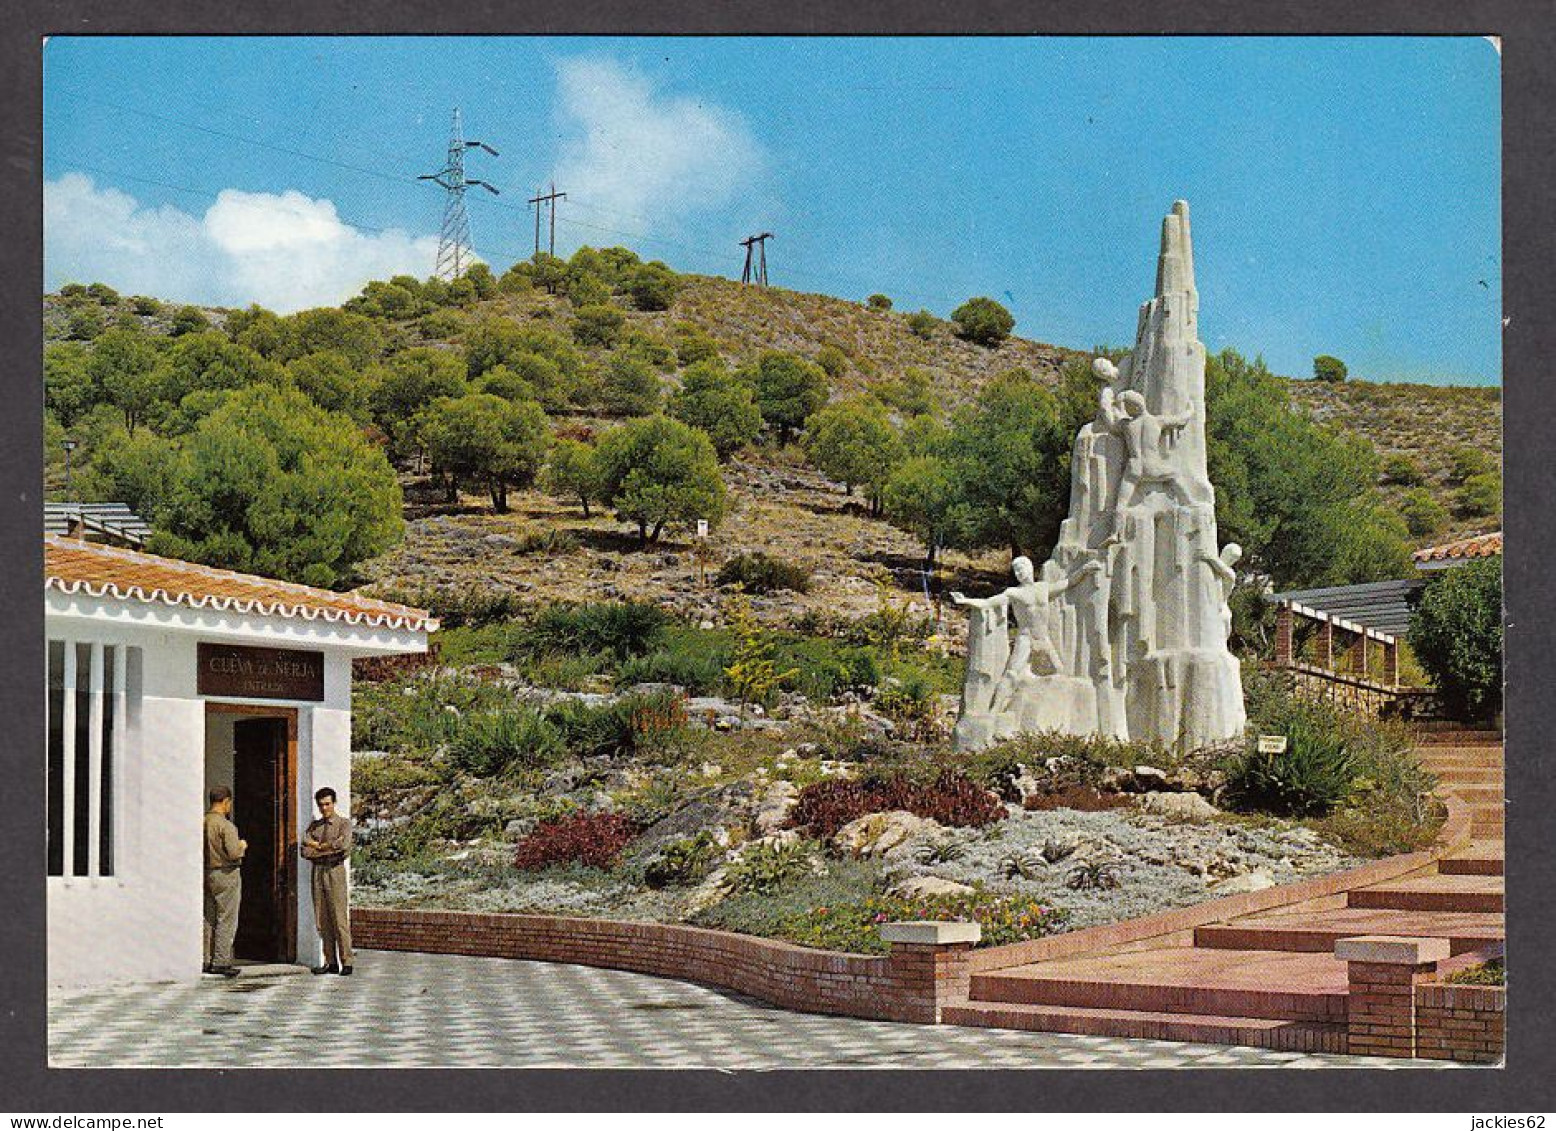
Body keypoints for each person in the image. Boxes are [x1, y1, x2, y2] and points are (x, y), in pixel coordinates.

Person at [950, 554, 1104, 715]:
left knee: (1059, 671)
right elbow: (988, 602)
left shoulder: (1044, 588)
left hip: (1044, 639)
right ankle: (994, 710)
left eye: (1021, 568)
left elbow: (1069, 582)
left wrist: (1085, 570)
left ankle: (1049, 708)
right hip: (1026, 638)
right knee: (1011, 673)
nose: (1018, 573)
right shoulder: (1013, 593)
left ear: (1029, 568)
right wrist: (965, 600)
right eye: (1015, 570)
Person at [301, 786, 354, 976]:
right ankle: (330, 961)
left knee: (339, 919)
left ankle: (346, 961)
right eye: (321, 805)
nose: (325, 808)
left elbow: (344, 847)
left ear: (334, 803)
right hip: (318, 873)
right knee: (322, 920)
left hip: (335, 872)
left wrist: (320, 847)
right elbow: (305, 851)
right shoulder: (315, 827)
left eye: (328, 804)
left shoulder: (343, 824)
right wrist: (327, 849)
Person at [203, 785, 246, 978]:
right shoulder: (226, 826)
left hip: (208, 872)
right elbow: (234, 853)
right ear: (226, 801)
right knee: (227, 918)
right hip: (226, 873)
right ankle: (220, 961)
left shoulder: (204, 821)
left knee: (209, 918)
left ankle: (206, 958)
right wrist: (242, 846)